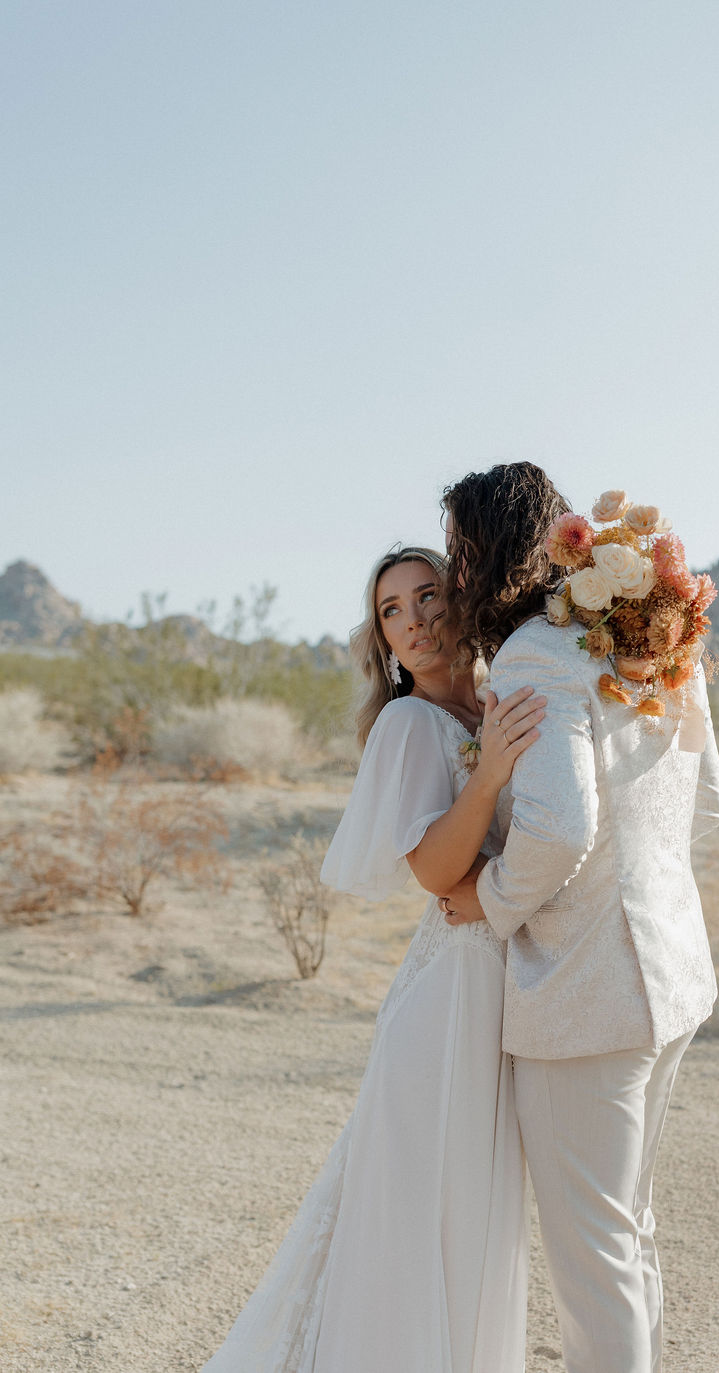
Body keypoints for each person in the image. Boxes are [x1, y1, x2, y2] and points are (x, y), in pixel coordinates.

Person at [201, 545, 545, 1373]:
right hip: (448, 999)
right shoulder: (406, 725)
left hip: (509, 983)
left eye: (428, 596)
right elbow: (433, 871)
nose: (415, 620)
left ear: (460, 604)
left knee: (480, 1219)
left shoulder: (500, 698)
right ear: (383, 638)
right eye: (392, 609)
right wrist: (492, 770)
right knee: (420, 1217)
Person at [440, 464, 719, 1373]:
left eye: (459, 551)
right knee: (627, 1232)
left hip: (586, 991)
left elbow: (562, 826)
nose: (453, 573)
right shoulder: (643, 641)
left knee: (594, 1257)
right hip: (671, 970)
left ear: (488, 551)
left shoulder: (532, 652)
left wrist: (486, 900)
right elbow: (706, 799)